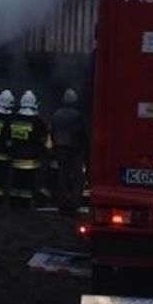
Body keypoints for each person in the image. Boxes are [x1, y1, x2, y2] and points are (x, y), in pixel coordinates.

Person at [9, 90, 49, 210]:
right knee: (28, 183)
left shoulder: (14, 119)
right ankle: (25, 205)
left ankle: (14, 204)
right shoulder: (37, 122)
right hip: (31, 160)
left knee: (16, 182)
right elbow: (43, 140)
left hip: (16, 158)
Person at [50, 88, 87, 216]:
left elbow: (52, 132)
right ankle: (73, 204)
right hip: (74, 150)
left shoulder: (56, 114)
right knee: (77, 178)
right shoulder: (77, 116)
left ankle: (61, 203)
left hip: (60, 150)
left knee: (62, 177)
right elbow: (81, 133)